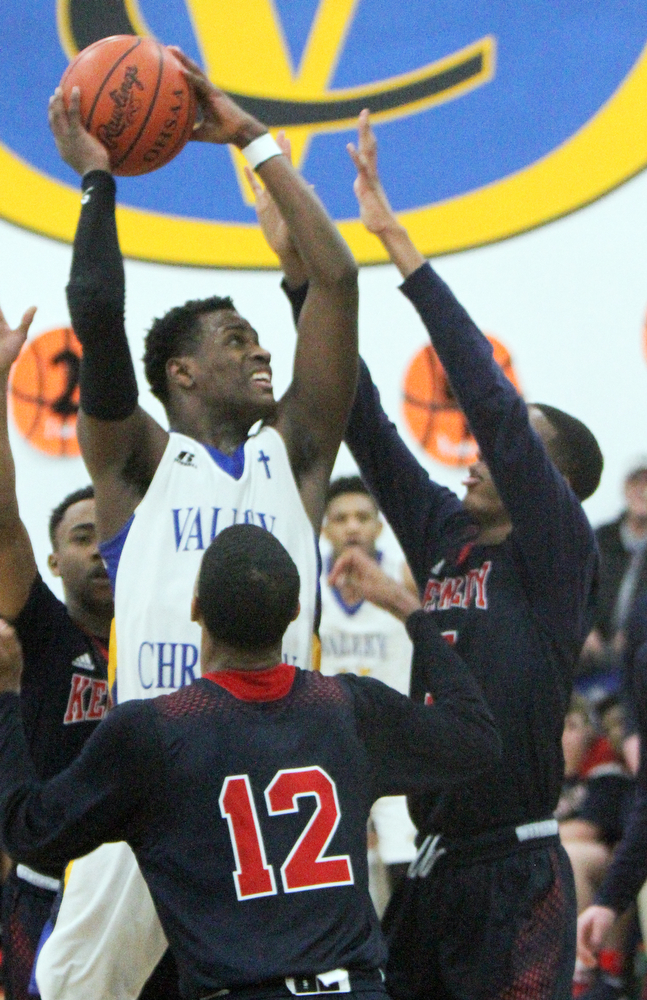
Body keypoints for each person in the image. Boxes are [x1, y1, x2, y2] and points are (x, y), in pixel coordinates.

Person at [258, 111, 602, 999]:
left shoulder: (554, 554)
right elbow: (362, 418)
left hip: (518, 878)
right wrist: (300, 278)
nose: (481, 452)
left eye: (511, 446)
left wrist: (397, 246)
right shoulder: (446, 534)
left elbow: (490, 405)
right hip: (434, 873)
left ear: (550, 481)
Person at [42, 49, 358, 1000]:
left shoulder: (296, 452)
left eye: (260, 336)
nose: (262, 349)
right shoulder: (136, 462)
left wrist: (254, 139)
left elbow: (336, 283)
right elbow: (96, 311)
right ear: (179, 374)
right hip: (154, 770)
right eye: (236, 340)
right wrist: (99, 179)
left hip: (268, 776)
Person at [0, 525, 500, 1000]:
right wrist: (412, 612)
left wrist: (8, 695)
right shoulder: (348, 708)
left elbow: (29, 832)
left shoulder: (155, 730)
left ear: (195, 608)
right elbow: (477, 737)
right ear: (295, 612)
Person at [0, 305, 113, 1000]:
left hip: (143, 879)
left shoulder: (170, 627)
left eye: (110, 531)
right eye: (80, 535)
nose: (99, 547)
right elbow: (1, 522)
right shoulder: (45, 631)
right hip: (52, 886)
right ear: (52, 557)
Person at [320, 476, 417, 907]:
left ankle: (410, 965)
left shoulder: (404, 579)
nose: (352, 527)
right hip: (326, 739)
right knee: (329, 864)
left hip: (393, 736)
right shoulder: (304, 581)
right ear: (324, 528)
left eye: (363, 517)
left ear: (380, 526)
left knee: (405, 858)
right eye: (340, 518)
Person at [578, 464, 647, 693]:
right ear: (626, 489)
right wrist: (587, 629)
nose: (643, 492)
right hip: (590, 645)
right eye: (637, 484)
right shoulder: (601, 538)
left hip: (637, 650)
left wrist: (634, 635)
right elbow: (577, 589)